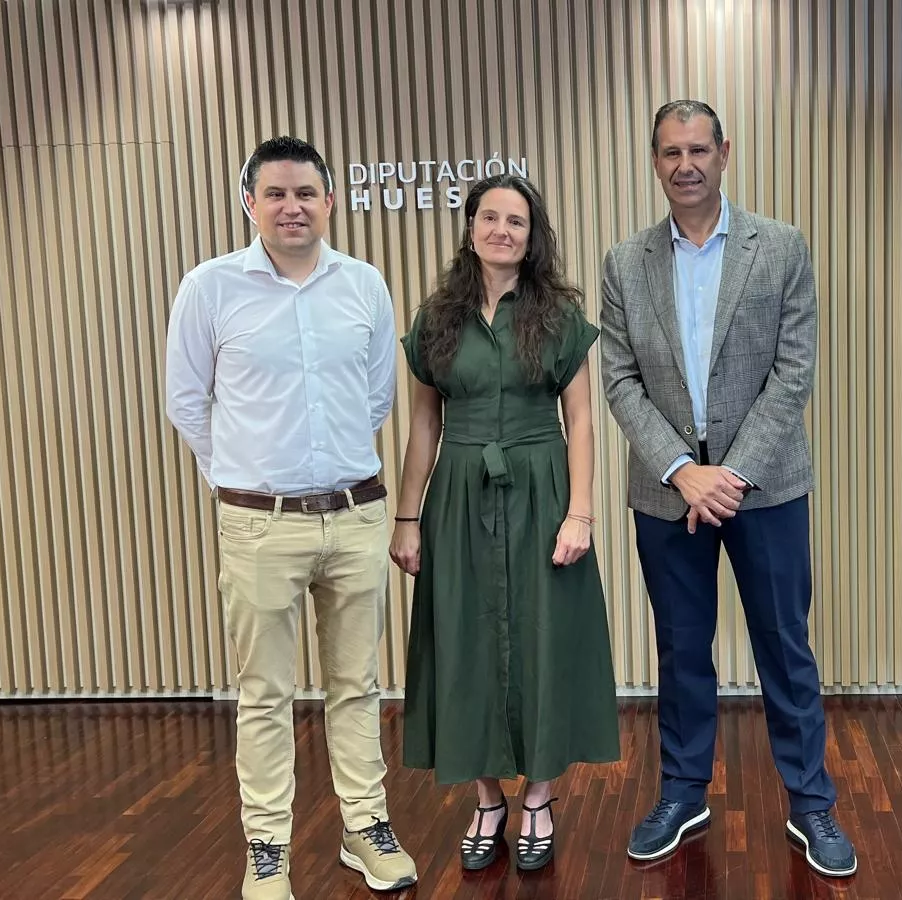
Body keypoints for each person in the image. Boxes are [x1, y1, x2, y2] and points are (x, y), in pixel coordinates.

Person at [598, 101, 858, 878]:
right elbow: (619, 380)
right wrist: (684, 471)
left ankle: (811, 803)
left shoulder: (778, 247)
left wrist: (731, 473)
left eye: (699, 150)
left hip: (766, 487)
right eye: (671, 151)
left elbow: (793, 372)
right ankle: (683, 791)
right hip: (666, 491)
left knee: (785, 645)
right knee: (680, 649)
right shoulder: (624, 263)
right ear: (654, 161)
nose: (687, 164)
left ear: (724, 153)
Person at [164, 135, 418, 899]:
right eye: (274, 193)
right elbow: (186, 401)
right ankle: (268, 846)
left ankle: (363, 828)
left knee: (357, 683)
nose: (291, 206)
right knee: (264, 693)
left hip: (354, 516)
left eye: (305, 192)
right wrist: (243, 480)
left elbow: (376, 399)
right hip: (257, 526)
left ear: (329, 200)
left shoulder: (364, 285)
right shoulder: (210, 288)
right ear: (249, 203)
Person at [391, 173, 620, 873]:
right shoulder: (437, 319)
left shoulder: (559, 317)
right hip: (457, 494)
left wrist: (579, 512)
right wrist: (407, 517)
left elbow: (580, 422)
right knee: (463, 643)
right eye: (490, 217)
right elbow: (424, 422)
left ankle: (540, 800)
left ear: (532, 235)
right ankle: (488, 799)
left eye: (516, 221)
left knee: (547, 642)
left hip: (541, 488)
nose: (502, 230)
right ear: (470, 228)